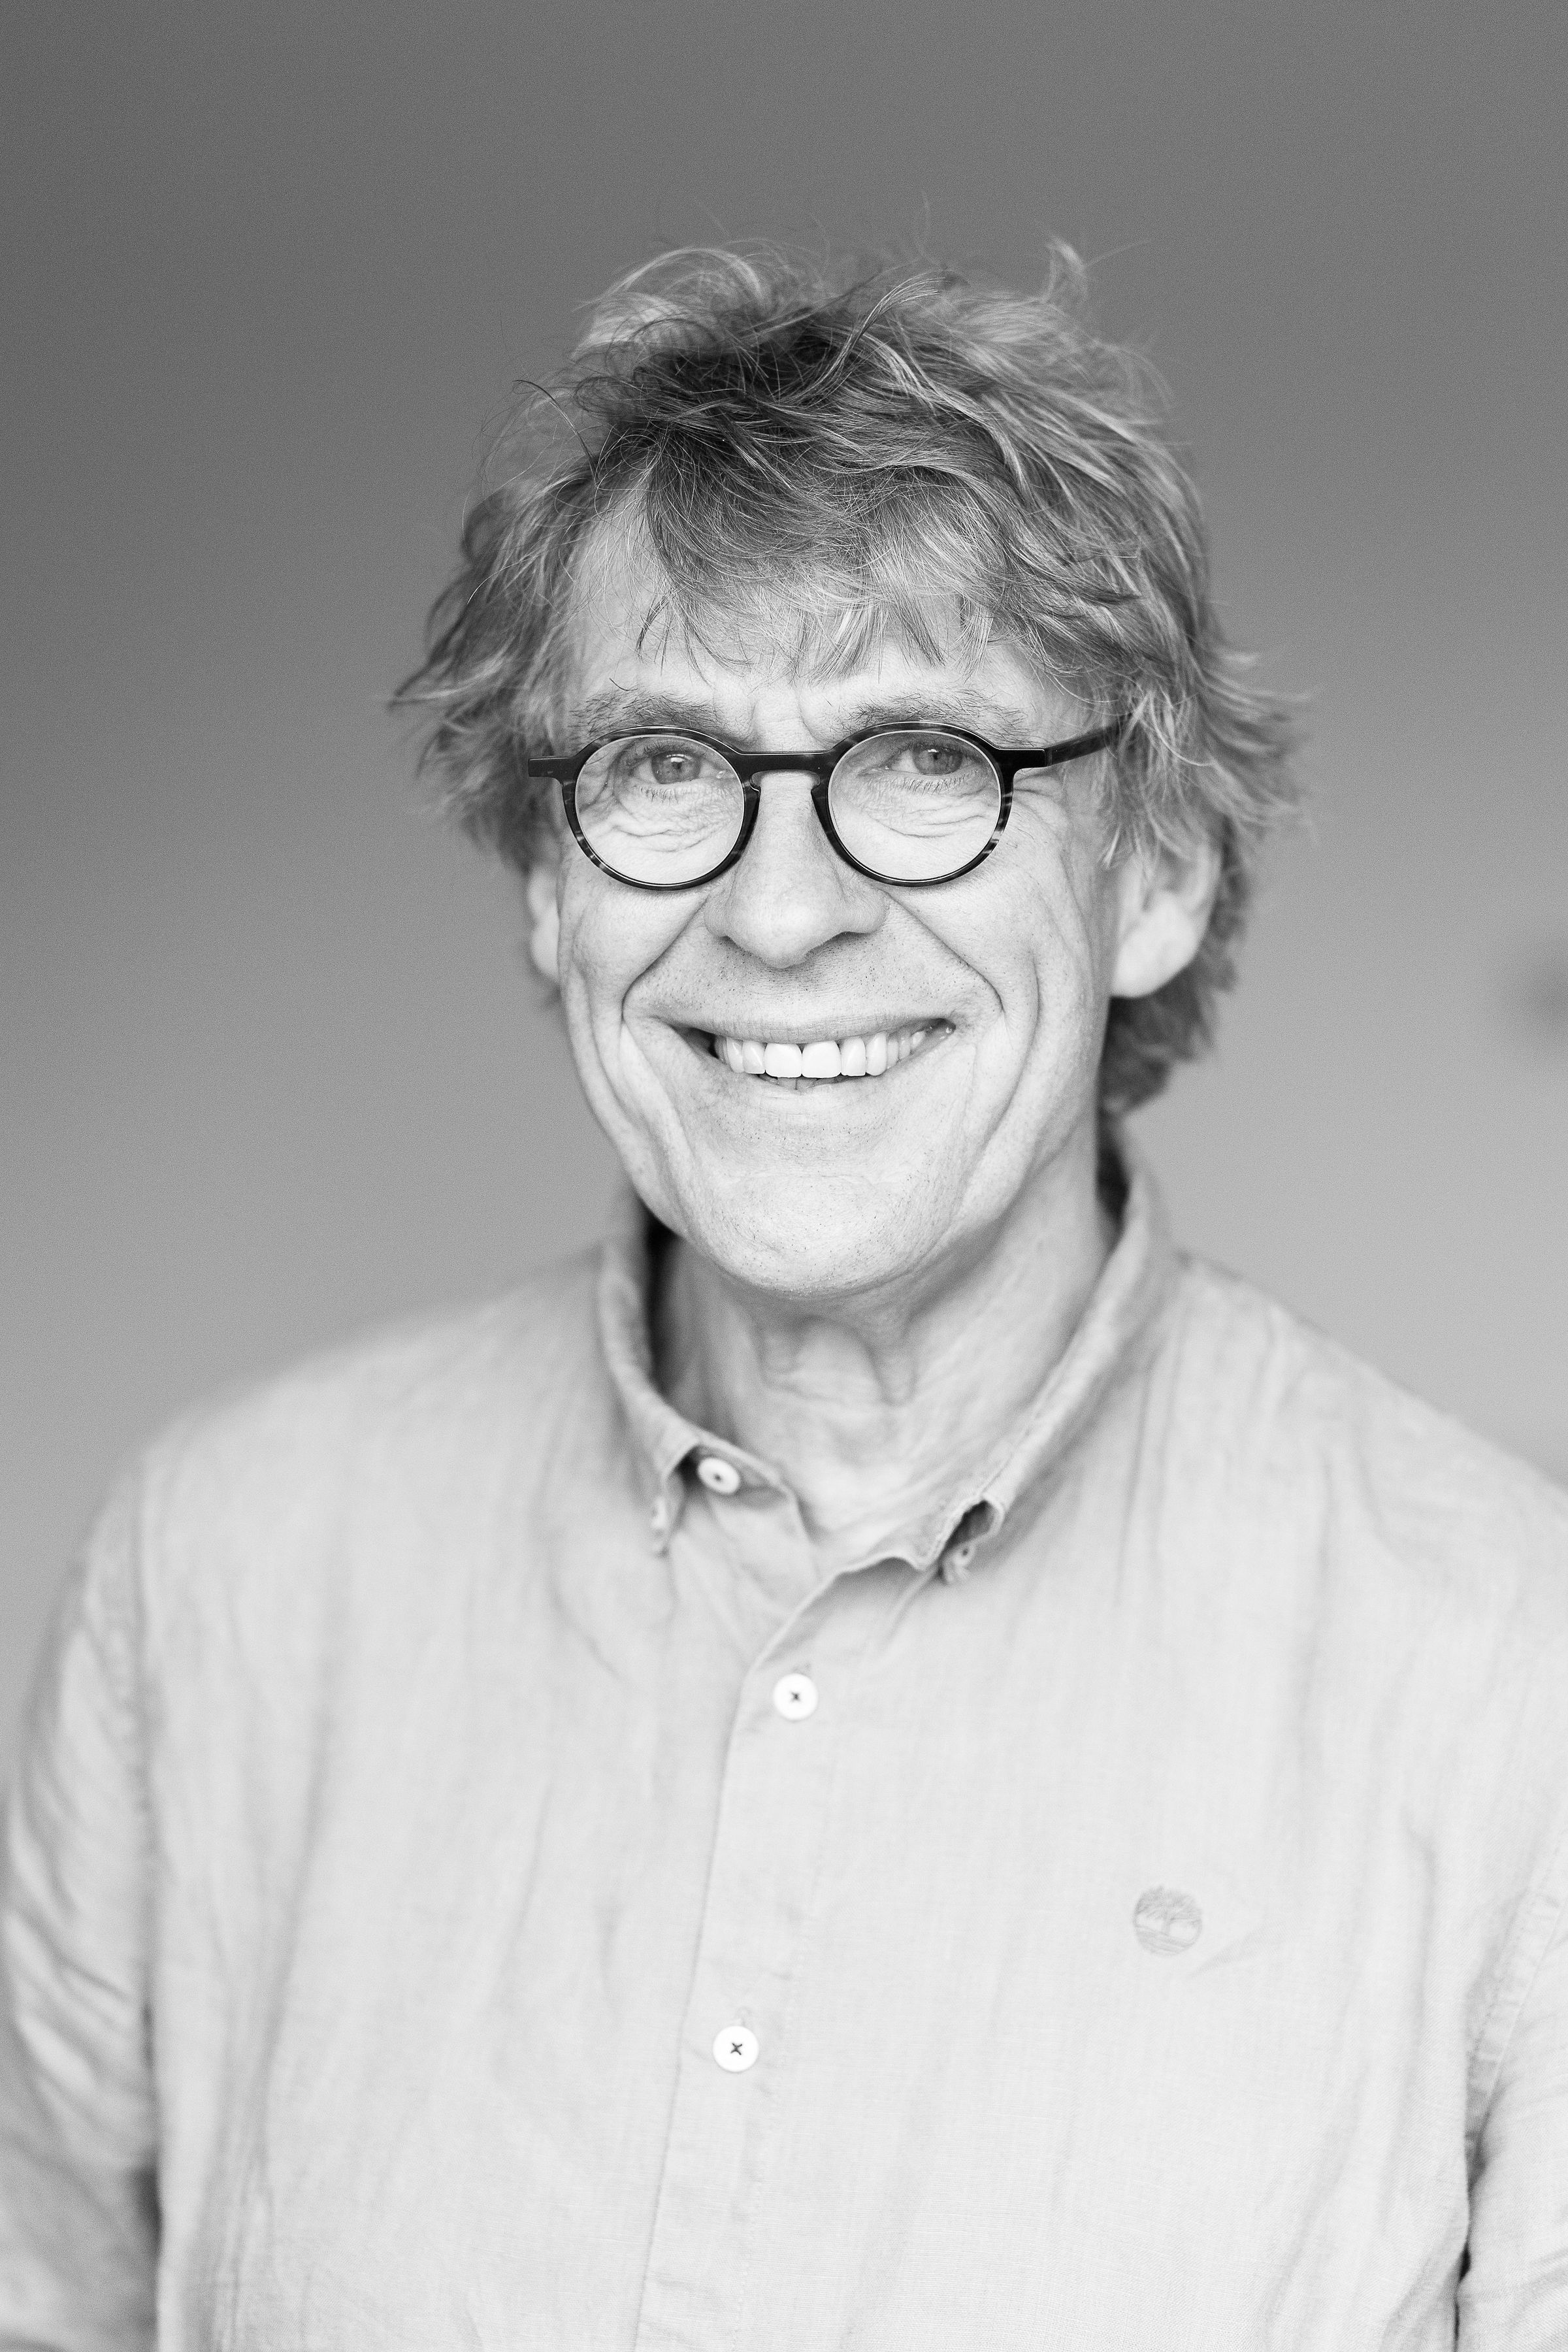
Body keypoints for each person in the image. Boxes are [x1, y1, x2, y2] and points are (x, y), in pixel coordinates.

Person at [2, 243, 1564, 2351]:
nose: (784, 909)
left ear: (1159, 875)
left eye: (925, 757)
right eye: (664, 765)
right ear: (548, 888)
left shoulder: (1511, 1677)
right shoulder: (219, 1581)